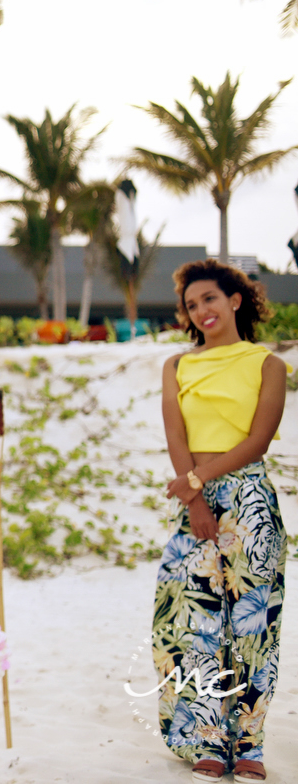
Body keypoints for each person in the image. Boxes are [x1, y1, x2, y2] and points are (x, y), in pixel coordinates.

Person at [155, 259, 289, 783]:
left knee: (254, 626)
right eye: (192, 305)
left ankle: (250, 744)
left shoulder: (267, 365)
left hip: (251, 498)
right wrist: (194, 497)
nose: (201, 311)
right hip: (194, 499)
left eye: (209, 299)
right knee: (196, 623)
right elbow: (175, 435)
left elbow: (258, 440)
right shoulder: (177, 366)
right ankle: (207, 739)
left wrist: (196, 480)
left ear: (235, 299)